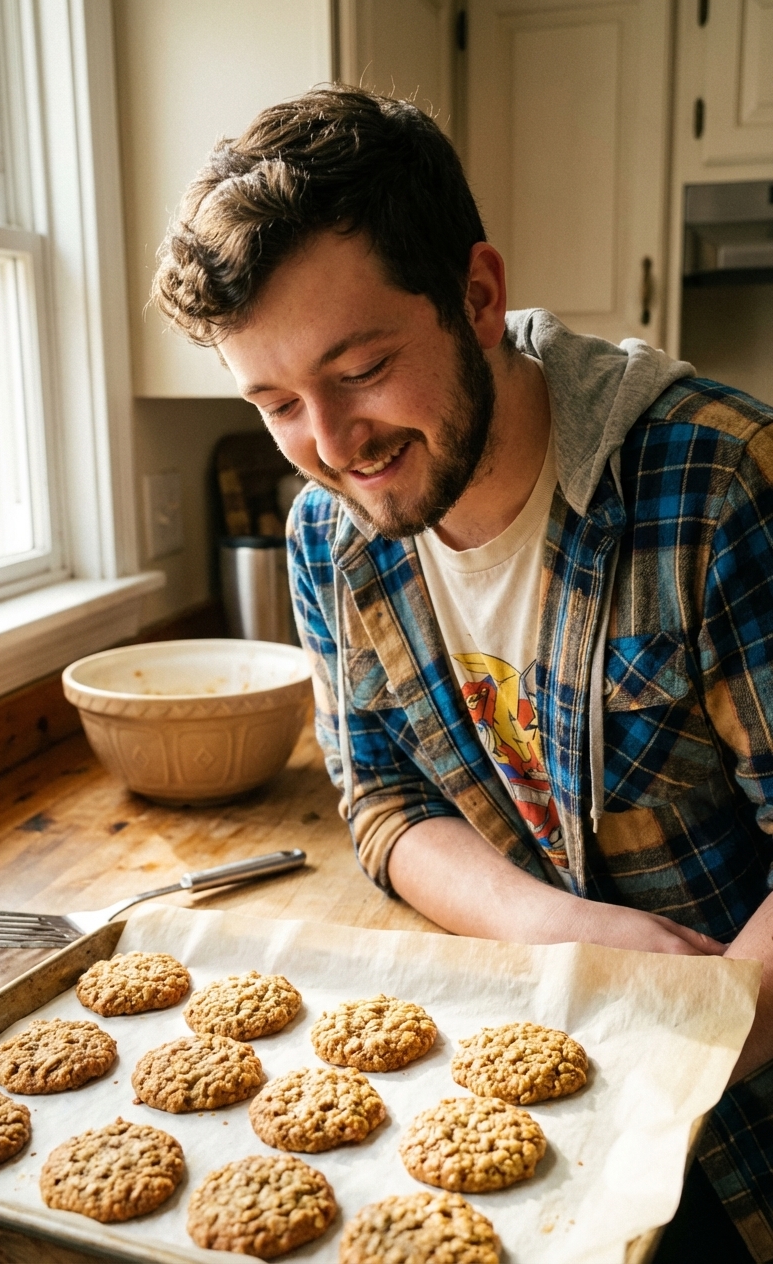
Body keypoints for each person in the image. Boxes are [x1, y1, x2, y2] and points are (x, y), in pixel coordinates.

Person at [152, 87, 773, 1260]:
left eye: (361, 368)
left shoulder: (722, 487)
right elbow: (381, 796)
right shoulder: (329, 540)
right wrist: (566, 931)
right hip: (534, 1052)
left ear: (478, 296)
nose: (332, 447)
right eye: (278, 403)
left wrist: (685, 1041)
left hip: (740, 1115)